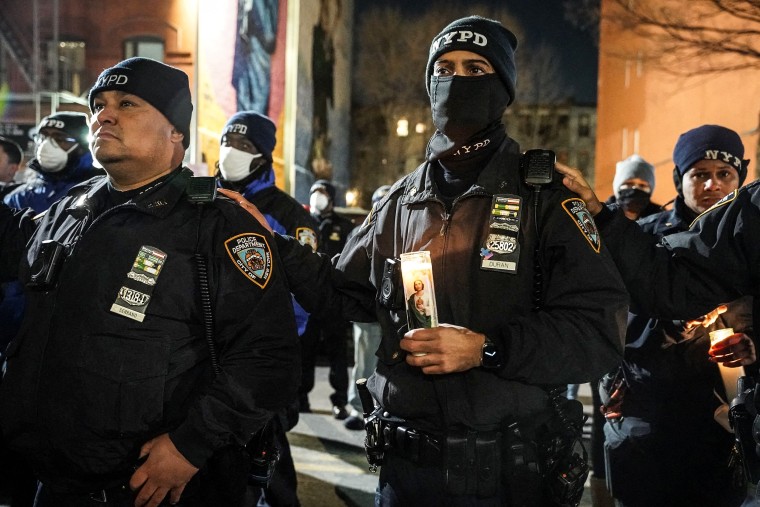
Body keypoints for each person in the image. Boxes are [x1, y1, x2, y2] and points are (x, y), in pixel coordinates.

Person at [226, 16, 628, 505]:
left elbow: (598, 332)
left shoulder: (544, 197)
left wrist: (487, 349)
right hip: (406, 474)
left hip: (509, 476)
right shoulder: (400, 199)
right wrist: (269, 241)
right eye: (445, 67)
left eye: (476, 68)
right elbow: (340, 293)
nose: (458, 80)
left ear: (503, 86)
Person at [0, 57, 300, 507]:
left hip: (150, 489)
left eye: (127, 103)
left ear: (176, 131)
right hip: (54, 481)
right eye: (97, 104)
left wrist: (189, 446)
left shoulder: (216, 224)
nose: (104, 114)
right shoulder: (71, 209)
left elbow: (267, 357)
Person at [599, 125, 754, 507]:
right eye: (699, 174)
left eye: (724, 175)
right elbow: (615, 319)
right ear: (679, 180)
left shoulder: (749, 249)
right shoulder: (643, 240)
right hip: (649, 423)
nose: (712, 185)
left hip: (724, 426)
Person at [217, 110, 317, 507]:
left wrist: (266, 348)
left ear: (262, 155)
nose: (231, 152)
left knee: (267, 469)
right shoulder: (204, 200)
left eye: (243, 146)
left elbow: (303, 295)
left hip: (259, 364)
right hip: (208, 359)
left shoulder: (288, 215)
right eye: (227, 142)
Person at [299, 179, 355, 419]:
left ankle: (340, 401)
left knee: (337, 352)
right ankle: (300, 397)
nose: (316, 196)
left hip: (333, 300)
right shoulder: (303, 222)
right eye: (313, 191)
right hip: (307, 299)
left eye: (321, 192)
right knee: (304, 351)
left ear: (331, 198)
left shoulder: (343, 226)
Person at [344, 184, 391, 431]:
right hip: (367, 311)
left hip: (394, 314)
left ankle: (385, 410)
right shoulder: (359, 232)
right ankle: (358, 408)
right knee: (363, 363)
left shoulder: (401, 231)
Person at [3, 111, 101, 212]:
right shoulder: (18, 198)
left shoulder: (98, 191)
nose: (46, 144)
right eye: (43, 137)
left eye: (59, 139)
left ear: (81, 146)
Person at [604, 154, 661, 220]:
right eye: (629, 183)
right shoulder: (601, 215)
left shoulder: (660, 219)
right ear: (617, 186)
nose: (635, 188)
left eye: (642, 185)